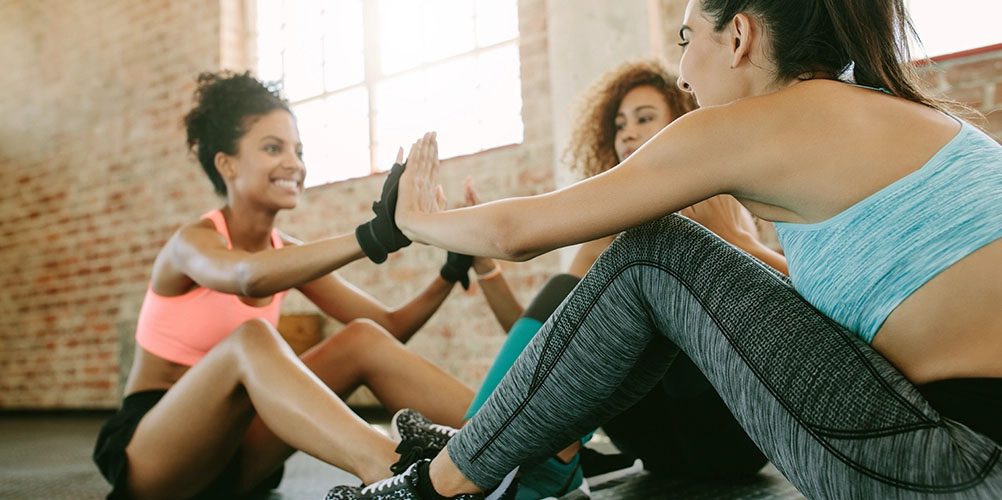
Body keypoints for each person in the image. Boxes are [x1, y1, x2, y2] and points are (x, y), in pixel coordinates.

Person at [329, 0, 1002, 498]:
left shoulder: (756, 125)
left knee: (655, 251)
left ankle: (436, 489)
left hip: (949, 463)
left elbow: (517, 234)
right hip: (954, 451)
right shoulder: (914, 120)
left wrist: (416, 219)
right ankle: (509, 453)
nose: (683, 74)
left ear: (738, 34)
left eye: (687, 38)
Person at [91, 71, 481, 499]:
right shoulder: (192, 243)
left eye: (298, 150)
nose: (294, 163)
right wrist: (373, 235)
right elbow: (247, 276)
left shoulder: (284, 251)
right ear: (228, 164)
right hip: (157, 453)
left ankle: (517, 444)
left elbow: (389, 326)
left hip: (239, 454)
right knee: (251, 339)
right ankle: (397, 474)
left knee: (363, 339)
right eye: (273, 148)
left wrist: (450, 270)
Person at [454, 59, 784, 496]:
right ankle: (476, 444)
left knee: (654, 283)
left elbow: (801, 313)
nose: (627, 133)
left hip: (733, 437)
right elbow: (547, 345)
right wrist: (487, 267)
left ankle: (473, 454)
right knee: (566, 290)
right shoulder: (610, 233)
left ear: (682, 123)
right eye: (620, 124)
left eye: (645, 118)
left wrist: (740, 243)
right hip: (653, 443)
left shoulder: (721, 197)